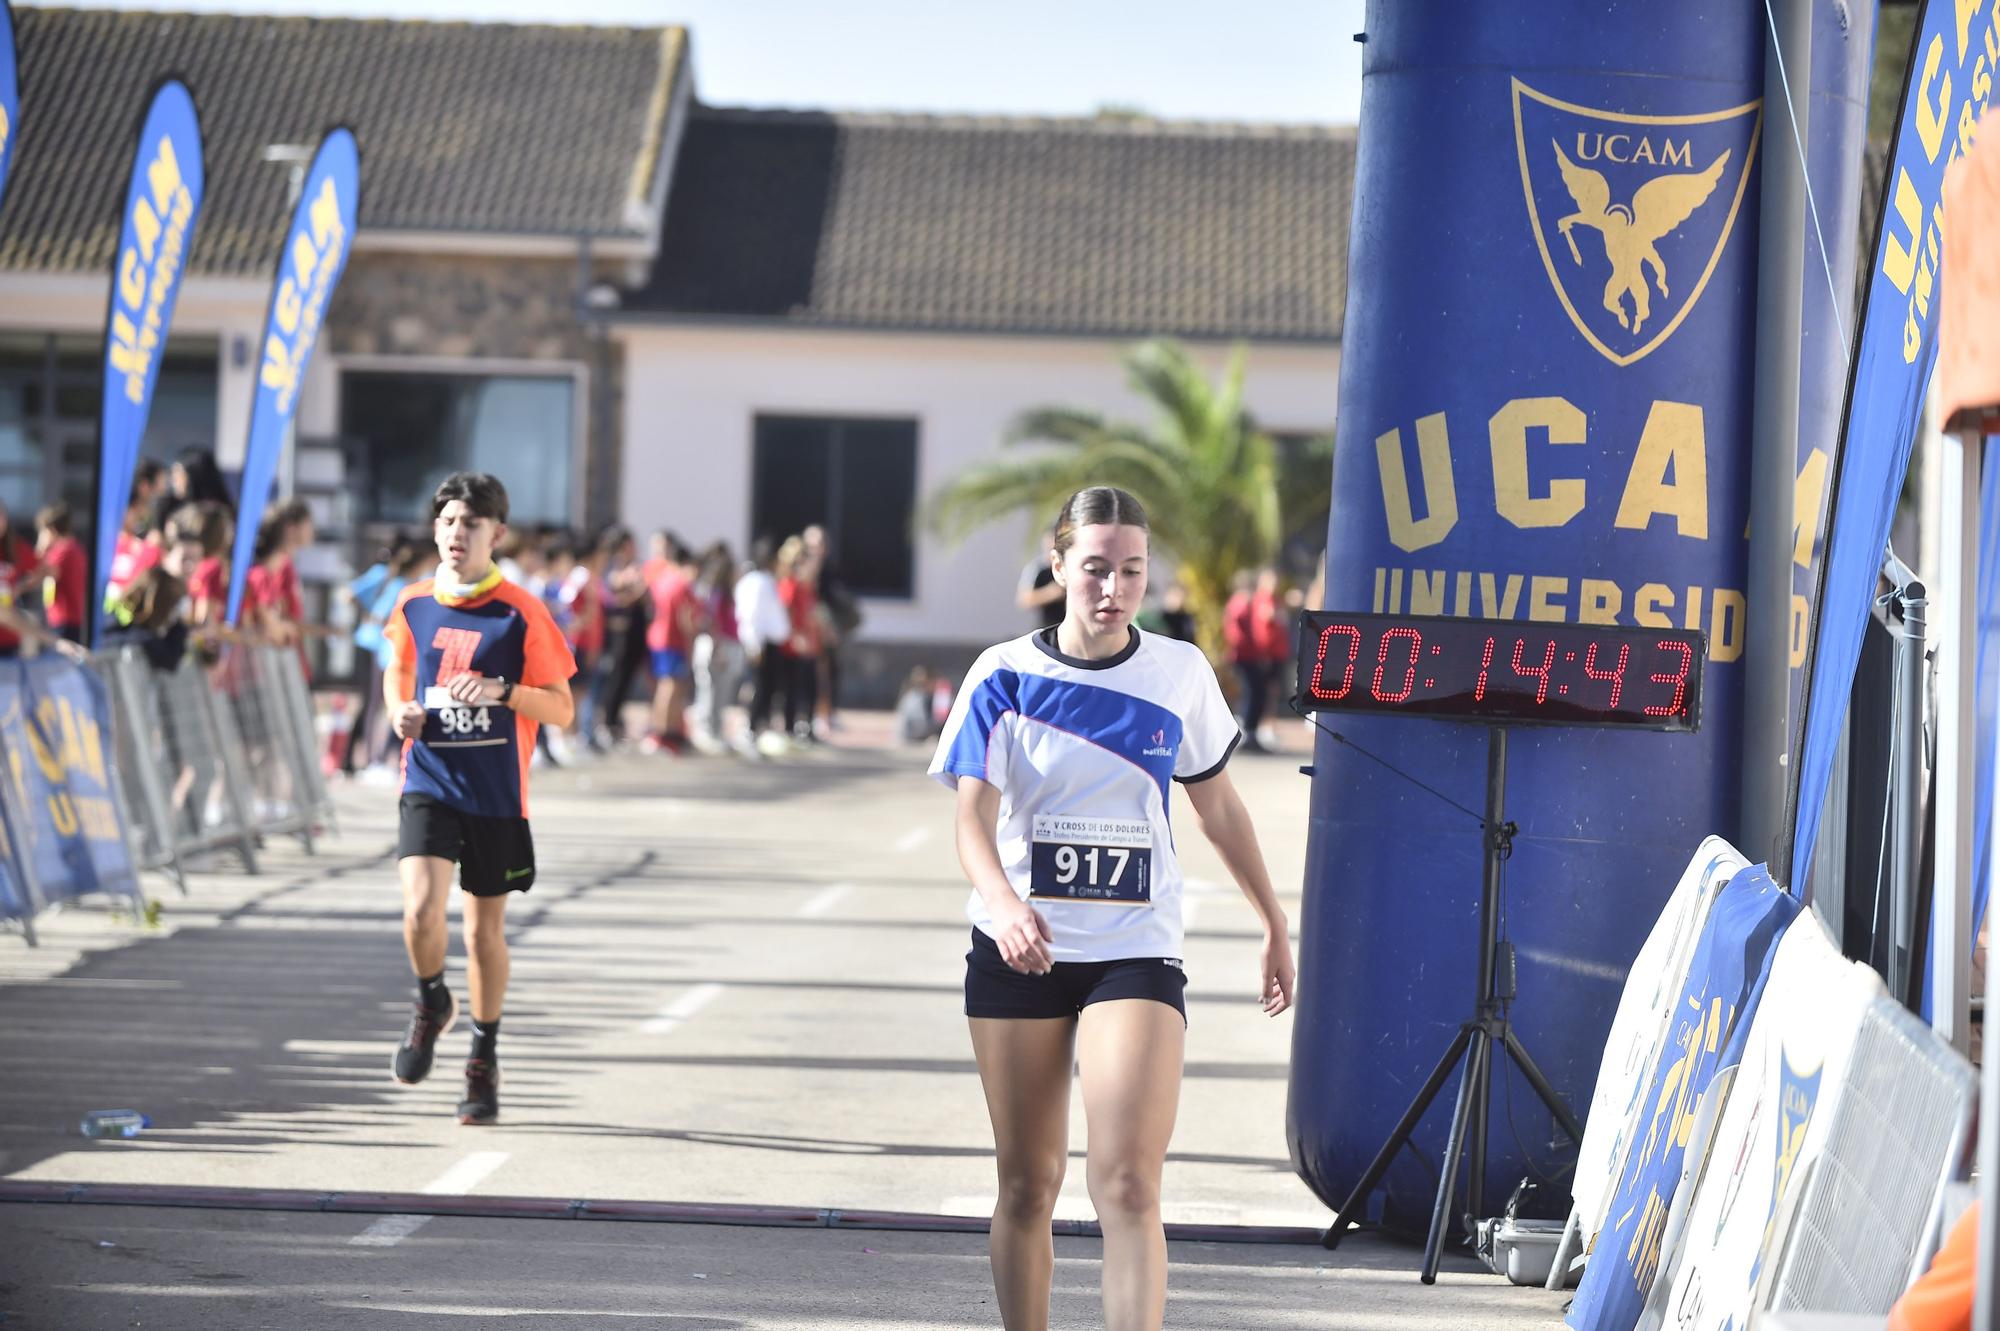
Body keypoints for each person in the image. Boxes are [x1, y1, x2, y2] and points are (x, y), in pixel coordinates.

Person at [929, 485, 1296, 1331]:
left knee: (1128, 1182)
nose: (1113, 588)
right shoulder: (1004, 675)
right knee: (1027, 1185)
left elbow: (1219, 807)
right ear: (1057, 566)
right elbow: (971, 818)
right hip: (1019, 951)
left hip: (1135, 949)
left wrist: (1274, 920)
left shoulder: (1178, 672)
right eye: (1094, 568)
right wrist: (1005, 904)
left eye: (1131, 570)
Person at [383, 472, 576, 1125]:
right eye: (446, 522)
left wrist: (503, 692)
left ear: (497, 531)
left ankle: (483, 1054)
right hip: (429, 779)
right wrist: (398, 712)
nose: (455, 534)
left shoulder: (522, 610)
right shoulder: (412, 601)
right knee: (418, 913)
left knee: (481, 933)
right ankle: (431, 999)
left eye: (469, 523)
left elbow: (564, 709)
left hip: (495, 792)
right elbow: (398, 667)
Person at [735, 537, 793, 758]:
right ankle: (749, 730)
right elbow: (751, 617)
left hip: (771, 643)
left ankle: (759, 729)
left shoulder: (767, 581)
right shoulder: (756, 582)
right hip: (760, 644)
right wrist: (755, 646)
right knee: (757, 688)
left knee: (768, 689)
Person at [644, 539, 701, 753]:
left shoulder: (662, 580)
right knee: (671, 688)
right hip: (673, 641)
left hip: (658, 638)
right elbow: (685, 618)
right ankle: (662, 732)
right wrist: (691, 641)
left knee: (665, 687)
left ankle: (667, 731)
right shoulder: (682, 584)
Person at [689, 542, 744, 754]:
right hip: (715, 645)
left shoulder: (726, 593)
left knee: (722, 692)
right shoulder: (713, 592)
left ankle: (717, 731)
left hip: (726, 644)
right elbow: (710, 621)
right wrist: (717, 646)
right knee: (709, 690)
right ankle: (704, 731)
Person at [776, 536, 822, 744]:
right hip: (793, 647)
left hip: (809, 645)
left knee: (810, 688)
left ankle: (806, 727)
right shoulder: (789, 585)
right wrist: (796, 636)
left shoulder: (806, 587)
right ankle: (788, 729)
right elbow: (786, 612)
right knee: (792, 689)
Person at [34, 502, 87, 645]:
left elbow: (36, 574)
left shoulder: (63, 550)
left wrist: (40, 549)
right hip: (69, 618)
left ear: (51, 530)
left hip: (65, 620)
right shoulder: (75, 547)